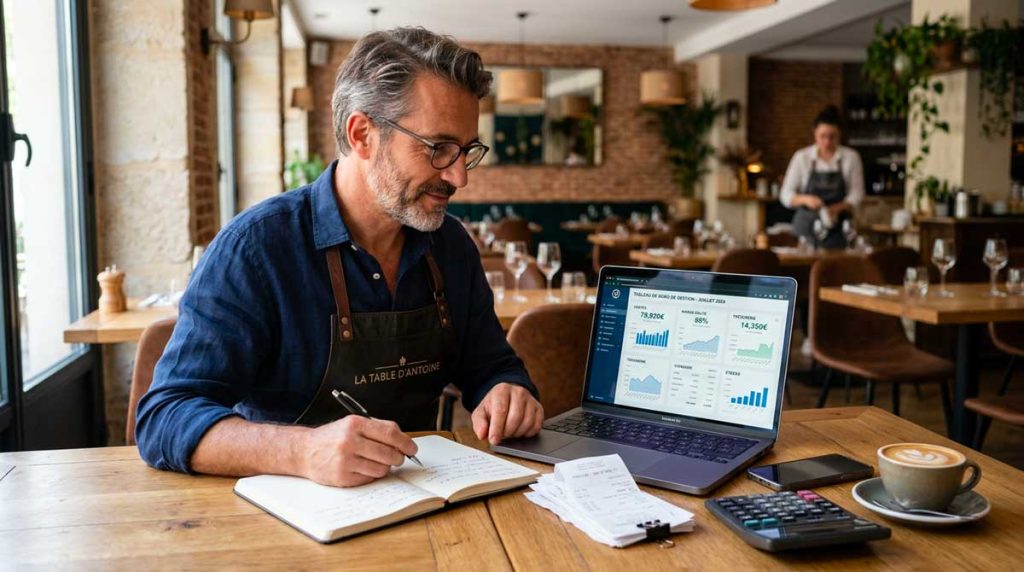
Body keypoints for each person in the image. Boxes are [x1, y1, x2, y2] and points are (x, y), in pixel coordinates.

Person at [135, 28, 544, 487]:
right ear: (362, 134)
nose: (458, 177)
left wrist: (508, 391)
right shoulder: (256, 249)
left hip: (430, 509)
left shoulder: (450, 245)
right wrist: (304, 450)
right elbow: (164, 417)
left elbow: (490, 364)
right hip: (290, 517)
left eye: (465, 151)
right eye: (437, 148)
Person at [779, 105, 864, 249]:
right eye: (822, 136)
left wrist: (837, 208)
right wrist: (806, 199)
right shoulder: (802, 158)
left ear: (840, 134)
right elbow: (785, 195)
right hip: (806, 229)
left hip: (839, 228)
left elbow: (857, 194)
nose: (827, 142)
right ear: (814, 133)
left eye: (832, 137)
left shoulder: (851, 158)